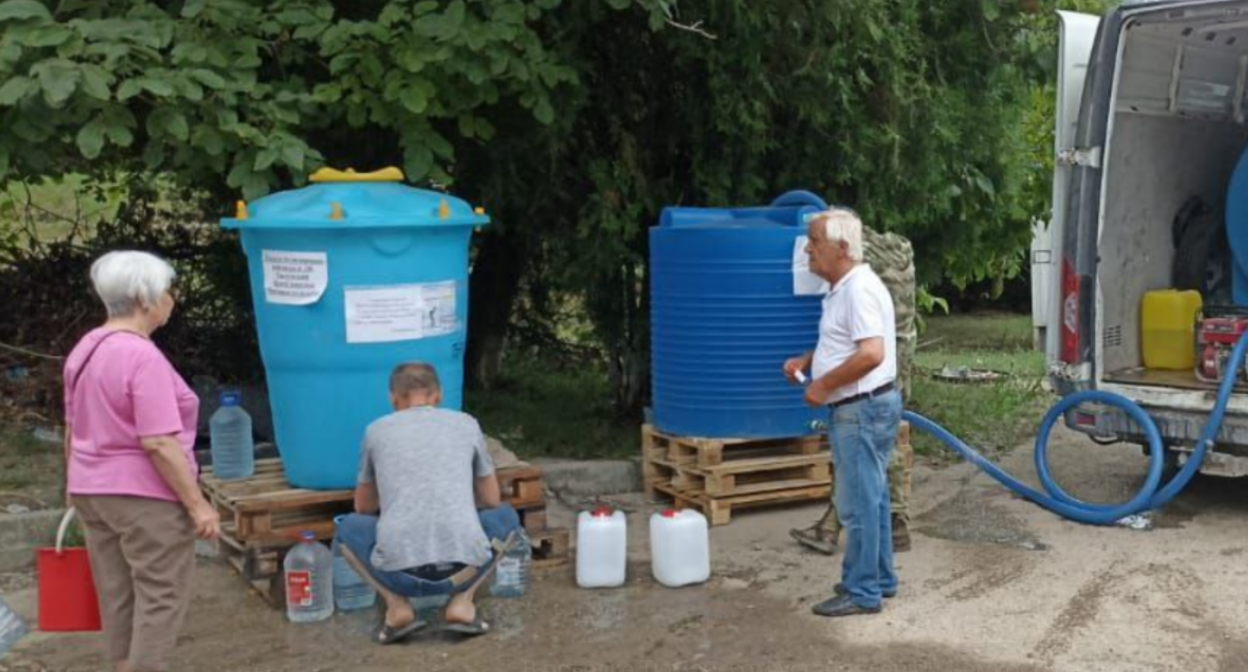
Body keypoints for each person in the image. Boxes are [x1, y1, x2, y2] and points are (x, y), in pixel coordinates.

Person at [64, 250, 221, 672]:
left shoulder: (86, 347)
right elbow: (158, 442)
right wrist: (197, 504)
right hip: (143, 494)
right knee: (161, 596)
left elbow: (72, 424)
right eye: (167, 290)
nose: (172, 297)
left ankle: (122, 666)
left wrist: (73, 483)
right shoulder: (141, 356)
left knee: (116, 593)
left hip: (91, 489)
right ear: (144, 299)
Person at [335, 363, 522, 644]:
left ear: (393, 398)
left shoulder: (376, 431)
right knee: (506, 518)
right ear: (438, 395)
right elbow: (492, 499)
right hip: (463, 572)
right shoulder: (466, 424)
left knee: (346, 528)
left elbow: (363, 508)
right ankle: (462, 602)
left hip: (398, 575)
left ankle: (397, 607)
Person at [783, 208, 902, 618]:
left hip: (860, 410)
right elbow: (848, 342)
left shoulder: (858, 290)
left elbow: (871, 353)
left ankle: (862, 590)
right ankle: (880, 578)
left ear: (843, 248)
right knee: (874, 497)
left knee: (857, 504)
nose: (808, 248)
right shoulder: (844, 288)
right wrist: (808, 359)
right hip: (864, 407)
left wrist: (823, 384)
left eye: (815, 240)